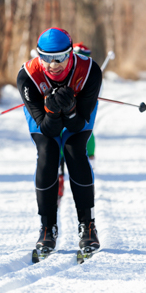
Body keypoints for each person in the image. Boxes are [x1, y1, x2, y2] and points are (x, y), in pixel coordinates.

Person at [17, 28, 103, 260]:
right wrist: (53, 112)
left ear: (71, 54)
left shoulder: (90, 71)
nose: (53, 64)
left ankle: (88, 225)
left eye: (60, 57)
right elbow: (47, 129)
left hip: (79, 116)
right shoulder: (28, 76)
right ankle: (47, 227)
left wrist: (71, 109)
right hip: (45, 119)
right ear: (38, 56)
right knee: (48, 152)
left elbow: (78, 124)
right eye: (45, 58)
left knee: (75, 151)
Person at [56, 43, 98, 203]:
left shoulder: (81, 66)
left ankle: (61, 176)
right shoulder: (87, 66)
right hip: (72, 108)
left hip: (78, 108)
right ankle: (87, 164)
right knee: (85, 133)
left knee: (67, 135)